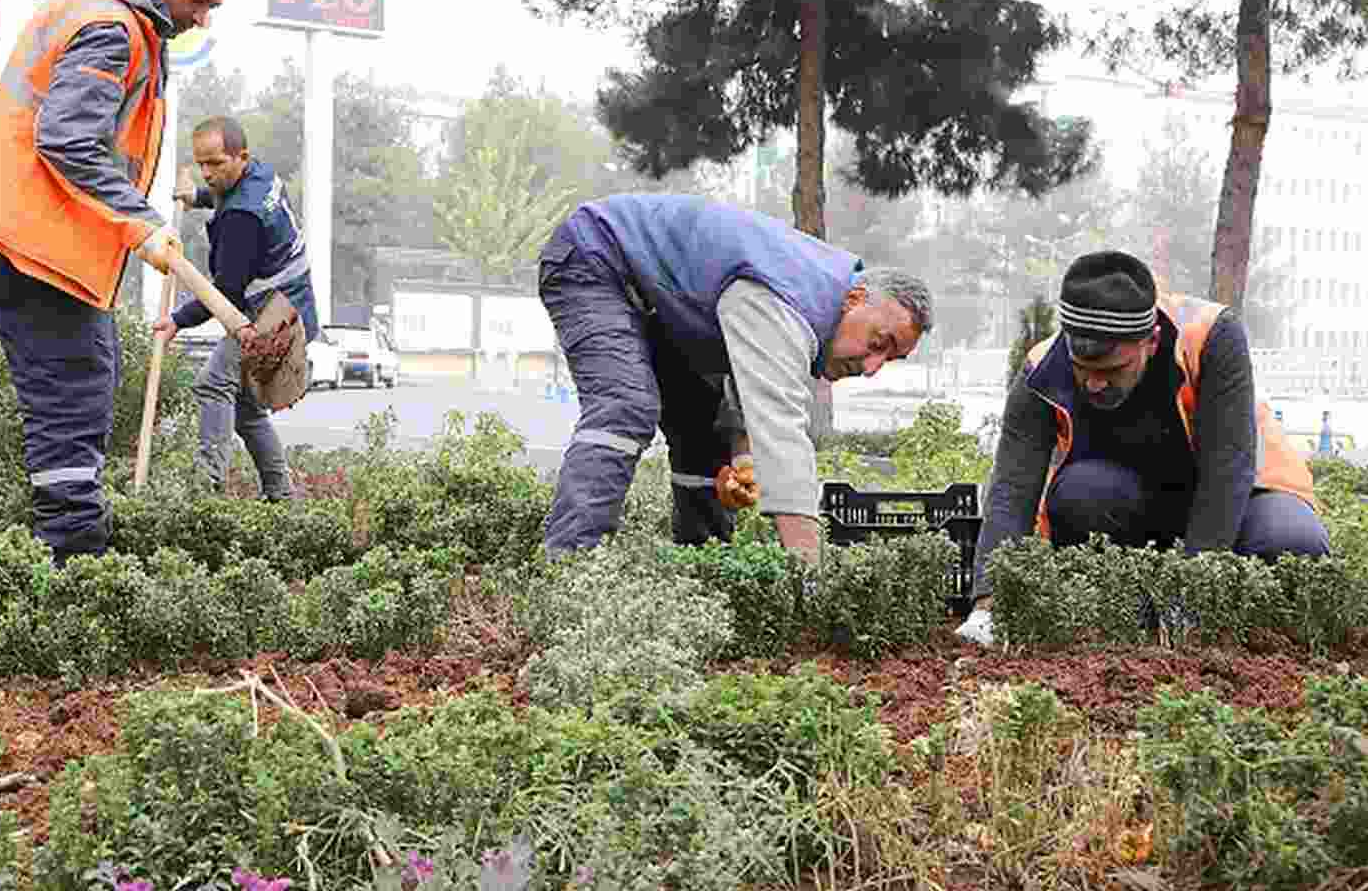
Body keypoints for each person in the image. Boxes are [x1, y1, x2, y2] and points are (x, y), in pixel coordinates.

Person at [0, 0, 231, 565]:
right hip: (34, 235)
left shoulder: (104, 9)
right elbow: (68, 142)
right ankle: (74, 559)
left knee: (86, 371)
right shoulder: (111, 27)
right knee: (72, 383)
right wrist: (139, 224)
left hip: (35, 228)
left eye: (212, 6)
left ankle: (75, 538)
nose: (201, 15)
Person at [956, 250, 1329, 646]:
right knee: (1078, 495)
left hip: (1242, 496)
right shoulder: (1042, 368)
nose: (1094, 384)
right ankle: (1130, 621)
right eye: (1083, 370)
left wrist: (1190, 596)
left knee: (1292, 541)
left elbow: (1227, 468)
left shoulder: (1210, 334)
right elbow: (1012, 490)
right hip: (1141, 507)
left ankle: (1250, 632)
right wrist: (987, 608)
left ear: (1150, 342)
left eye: (1111, 371)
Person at [538, 193, 933, 561]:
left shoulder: (809, 307)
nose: (871, 367)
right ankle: (568, 567)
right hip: (598, 258)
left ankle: (701, 572)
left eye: (890, 359)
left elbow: (753, 376)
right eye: (878, 343)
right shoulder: (787, 300)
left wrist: (743, 459)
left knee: (703, 433)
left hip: (661, 303)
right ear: (854, 299)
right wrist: (810, 576)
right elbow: (781, 430)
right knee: (626, 406)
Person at [156, 116, 319, 499]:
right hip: (296, 304)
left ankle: (205, 492)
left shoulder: (240, 220)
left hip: (275, 318)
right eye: (201, 164)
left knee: (212, 385)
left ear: (240, 156)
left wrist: (178, 321)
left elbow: (225, 294)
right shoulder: (261, 175)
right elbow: (226, 193)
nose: (207, 173)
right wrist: (195, 197)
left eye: (215, 163)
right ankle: (282, 497)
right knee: (245, 406)